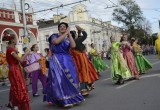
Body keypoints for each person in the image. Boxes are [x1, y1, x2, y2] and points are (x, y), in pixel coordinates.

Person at [43, 22, 84, 107]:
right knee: (59, 80)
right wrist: (66, 33)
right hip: (57, 60)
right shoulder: (54, 36)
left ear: (66, 28)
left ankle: (72, 97)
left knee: (72, 78)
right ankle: (63, 99)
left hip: (67, 60)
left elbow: (73, 46)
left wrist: (69, 35)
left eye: (64, 27)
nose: (62, 27)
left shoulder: (67, 37)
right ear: (58, 29)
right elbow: (56, 42)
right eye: (60, 26)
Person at [70, 25, 98, 96]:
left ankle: (87, 86)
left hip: (76, 60)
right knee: (84, 73)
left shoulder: (72, 42)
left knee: (81, 73)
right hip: (81, 59)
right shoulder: (76, 41)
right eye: (76, 34)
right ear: (74, 36)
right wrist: (82, 29)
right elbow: (85, 35)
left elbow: (79, 38)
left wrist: (79, 32)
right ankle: (83, 89)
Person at [6, 34, 31, 110]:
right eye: (16, 39)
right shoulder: (11, 50)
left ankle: (12, 103)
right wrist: (26, 53)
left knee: (14, 87)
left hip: (15, 69)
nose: (17, 40)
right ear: (13, 40)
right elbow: (21, 60)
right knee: (19, 86)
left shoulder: (12, 49)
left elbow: (20, 60)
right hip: (15, 70)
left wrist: (20, 53)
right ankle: (20, 103)